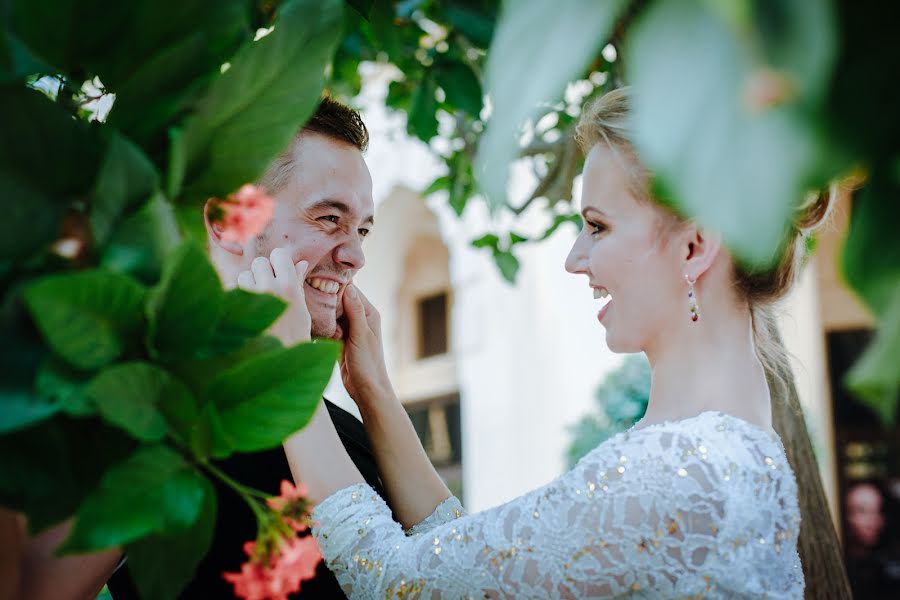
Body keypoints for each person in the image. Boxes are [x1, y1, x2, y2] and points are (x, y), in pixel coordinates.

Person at [274, 87, 835, 598]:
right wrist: (373, 389)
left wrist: (282, 370)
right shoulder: (727, 451)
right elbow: (459, 564)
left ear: (693, 248)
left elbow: (394, 581)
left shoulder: (676, 472)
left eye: (597, 226)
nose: (575, 258)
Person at [10, 97, 389, 600]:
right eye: (328, 219)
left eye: (362, 228)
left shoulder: (346, 429)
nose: (356, 255)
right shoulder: (142, 406)